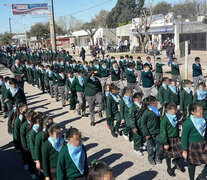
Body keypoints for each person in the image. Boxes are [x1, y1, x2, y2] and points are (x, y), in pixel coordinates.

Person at [181, 103, 207, 180]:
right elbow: (184, 137)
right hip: (193, 146)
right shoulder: (188, 123)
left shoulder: (204, 120)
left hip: (203, 144)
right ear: (192, 112)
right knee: (192, 164)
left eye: (201, 110)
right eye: (199, 111)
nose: (201, 112)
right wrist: (184, 150)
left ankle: (202, 175)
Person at [160, 103, 183, 177]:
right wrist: (165, 143)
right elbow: (163, 133)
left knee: (182, 150)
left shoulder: (174, 117)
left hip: (176, 138)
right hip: (168, 139)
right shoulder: (165, 119)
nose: (176, 111)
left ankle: (175, 161)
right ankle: (169, 168)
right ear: (168, 110)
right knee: (168, 155)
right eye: (174, 110)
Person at [141, 96, 161, 165]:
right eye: (155, 102)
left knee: (159, 145)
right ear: (150, 103)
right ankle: (150, 157)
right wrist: (146, 133)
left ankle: (157, 157)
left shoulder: (157, 110)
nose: (156, 103)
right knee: (150, 146)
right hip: (150, 133)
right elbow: (143, 123)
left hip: (158, 131)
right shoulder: (147, 112)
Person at [20, 109, 37, 179]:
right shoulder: (24, 125)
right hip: (29, 146)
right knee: (30, 160)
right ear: (27, 117)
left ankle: (37, 170)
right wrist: (24, 146)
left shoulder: (35, 123)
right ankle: (32, 172)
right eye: (29, 117)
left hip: (35, 144)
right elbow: (22, 136)